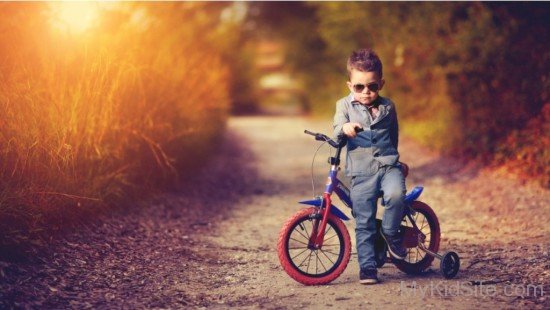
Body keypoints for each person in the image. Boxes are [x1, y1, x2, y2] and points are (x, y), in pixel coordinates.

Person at [333, 48, 407, 285]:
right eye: (359, 87)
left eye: (372, 86)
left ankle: (390, 233)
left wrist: (395, 159)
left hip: (387, 166)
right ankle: (367, 267)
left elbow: (393, 136)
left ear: (381, 84)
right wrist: (344, 129)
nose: (366, 92)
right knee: (363, 220)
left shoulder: (389, 107)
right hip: (361, 171)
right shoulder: (343, 106)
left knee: (396, 195)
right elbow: (336, 130)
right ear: (349, 85)